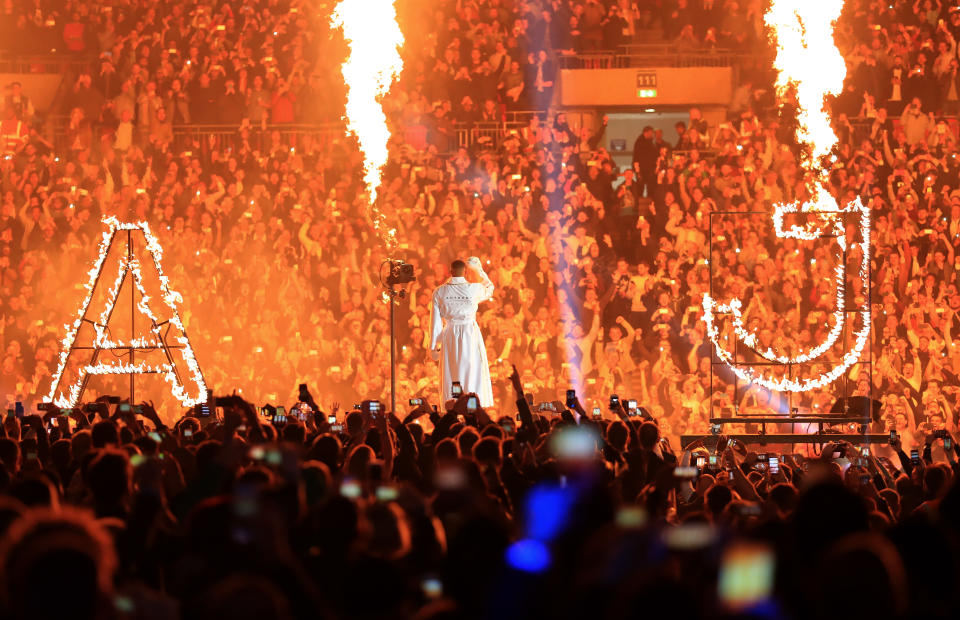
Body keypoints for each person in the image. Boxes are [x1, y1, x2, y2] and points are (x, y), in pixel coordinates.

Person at [429, 257, 495, 407]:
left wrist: (434, 347)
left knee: (452, 372)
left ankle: (455, 406)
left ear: (450, 272)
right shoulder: (475, 288)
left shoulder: (439, 292)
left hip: (450, 333)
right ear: (465, 272)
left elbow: (435, 322)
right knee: (471, 371)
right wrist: (478, 269)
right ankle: (472, 407)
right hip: (469, 333)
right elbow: (490, 288)